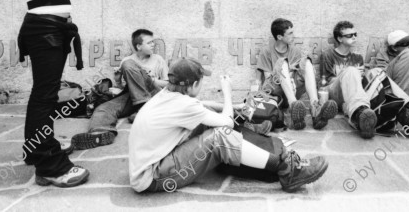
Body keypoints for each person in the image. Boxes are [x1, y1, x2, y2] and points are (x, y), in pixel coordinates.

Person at [5, 0, 101, 187]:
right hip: (42, 30)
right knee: (44, 96)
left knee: (47, 95)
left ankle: (40, 151)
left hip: (57, 29)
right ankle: (48, 165)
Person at [128, 57, 329, 193]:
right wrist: (227, 93)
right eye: (200, 81)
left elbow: (202, 106)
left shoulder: (168, 95)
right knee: (220, 135)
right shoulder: (183, 103)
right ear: (193, 85)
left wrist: (235, 106)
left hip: (156, 164)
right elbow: (224, 122)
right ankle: (287, 170)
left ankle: (271, 154)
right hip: (153, 178)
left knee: (211, 122)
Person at [321, 21, 409, 139]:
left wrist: (361, 77)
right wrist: (348, 74)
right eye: (349, 35)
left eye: (355, 34)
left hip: (353, 98)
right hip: (335, 94)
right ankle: (359, 114)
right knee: (351, 71)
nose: (354, 37)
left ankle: (407, 116)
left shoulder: (357, 57)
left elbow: (359, 87)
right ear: (339, 38)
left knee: (377, 71)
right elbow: (326, 83)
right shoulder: (328, 55)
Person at [72, 29, 169, 149]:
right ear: (139, 46)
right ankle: (100, 134)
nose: (153, 44)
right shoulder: (127, 61)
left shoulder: (158, 59)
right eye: (149, 43)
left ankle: (144, 108)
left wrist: (149, 79)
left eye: (153, 42)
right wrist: (117, 80)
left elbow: (167, 83)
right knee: (103, 109)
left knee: (129, 65)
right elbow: (122, 87)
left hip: (152, 93)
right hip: (133, 96)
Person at [256, 18, 338, 130]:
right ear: (279, 37)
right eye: (290, 33)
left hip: (292, 90)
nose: (293, 35)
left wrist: (291, 79)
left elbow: (297, 73)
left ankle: (315, 108)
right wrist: (286, 73)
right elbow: (268, 79)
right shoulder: (266, 52)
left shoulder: (295, 51)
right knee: (282, 62)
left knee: (307, 62)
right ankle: (293, 106)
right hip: (275, 93)